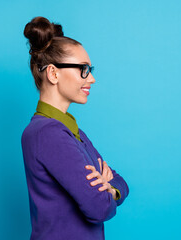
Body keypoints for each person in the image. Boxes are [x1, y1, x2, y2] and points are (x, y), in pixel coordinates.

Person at [21, 16, 129, 240]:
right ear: (53, 73)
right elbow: (100, 208)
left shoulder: (70, 131)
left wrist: (111, 189)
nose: (92, 79)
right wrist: (107, 191)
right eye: (83, 69)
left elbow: (120, 181)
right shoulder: (47, 133)